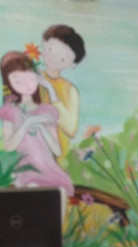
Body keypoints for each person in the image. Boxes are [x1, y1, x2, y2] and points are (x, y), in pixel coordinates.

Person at [0, 51, 73, 197]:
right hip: (23, 168)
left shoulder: (47, 111)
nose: (26, 84)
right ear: (9, 83)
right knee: (33, 188)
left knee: (61, 189)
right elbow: (9, 146)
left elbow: (57, 151)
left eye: (30, 78)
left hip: (48, 167)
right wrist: (27, 123)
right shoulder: (9, 111)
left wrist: (41, 128)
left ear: (37, 78)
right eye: (18, 80)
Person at [39, 24, 86, 164]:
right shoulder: (30, 78)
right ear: (44, 45)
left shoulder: (70, 90)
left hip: (59, 155)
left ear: (72, 64)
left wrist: (51, 91)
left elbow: (71, 130)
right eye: (51, 49)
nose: (54, 57)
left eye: (63, 57)